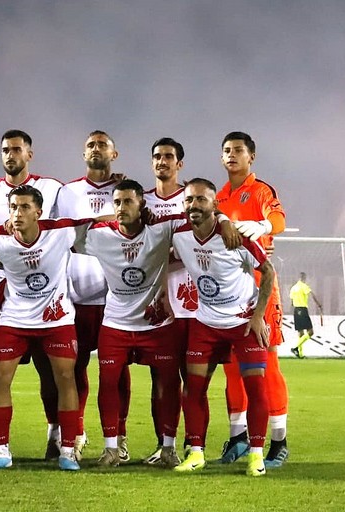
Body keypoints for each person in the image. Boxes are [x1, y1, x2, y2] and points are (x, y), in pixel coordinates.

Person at [0, 185, 89, 471]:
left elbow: (99, 220)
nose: (18, 213)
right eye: (13, 207)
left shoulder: (60, 231)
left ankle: (67, 451)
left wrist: (138, 213)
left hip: (56, 319)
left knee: (66, 378)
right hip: (15, 319)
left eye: (25, 207)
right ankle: (1, 450)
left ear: (39, 212)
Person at [171, 178, 274, 477]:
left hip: (243, 322)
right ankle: (196, 453)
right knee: (193, 388)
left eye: (201, 200)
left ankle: (256, 455)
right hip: (205, 322)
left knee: (255, 387)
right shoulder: (178, 234)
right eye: (189, 200)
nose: (194, 206)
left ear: (215, 205)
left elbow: (268, 271)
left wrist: (258, 316)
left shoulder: (236, 236)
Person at [0, 130, 64, 462]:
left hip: (41, 289)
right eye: (5, 150)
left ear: (30, 154)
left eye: (16, 149)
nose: (10, 155)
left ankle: (57, 435)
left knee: (49, 367)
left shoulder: (53, 189)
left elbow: (73, 222)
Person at [82, 179, 187, 468]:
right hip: (115, 324)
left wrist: (226, 222)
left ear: (143, 204)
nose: (121, 207)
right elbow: (71, 228)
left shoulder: (161, 229)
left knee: (168, 384)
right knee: (108, 383)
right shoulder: (99, 235)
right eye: (116, 202)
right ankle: (111, 448)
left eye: (128, 201)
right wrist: (103, 217)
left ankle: (168, 448)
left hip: (156, 325)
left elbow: (198, 218)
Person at [215, 131, 290, 468]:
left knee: (267, 364)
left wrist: (261, 226)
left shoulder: (260, 191)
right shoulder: (217, 197)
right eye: (227, 151)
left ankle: (279, 440)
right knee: (232, 367)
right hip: (228, 294)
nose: (232, 155)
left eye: (239, 150)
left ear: (251, 157)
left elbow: (278, 220)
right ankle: (238, 437)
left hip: (260, 291)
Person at [54, 130, 122, 460]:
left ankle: (118, 438)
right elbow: (61, 234)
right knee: (73, 369)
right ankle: (75, 434)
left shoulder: (126, 190)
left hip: (116, 298)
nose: (96, 150)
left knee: (115, 372)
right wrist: (104, 220)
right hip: (74, 295)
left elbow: (131, 222)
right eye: (90, 145)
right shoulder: (67, 192)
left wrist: (90, 222)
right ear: (84, 154)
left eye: (102, 145)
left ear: (115, 154)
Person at [139, 137, 194, 464]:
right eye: (157, 156)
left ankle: (192, 443)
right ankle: (165, 444)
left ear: (179, 164)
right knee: (160, 376)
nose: (162, 162)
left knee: (192, 375)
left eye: (169, 157)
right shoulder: (139, 200)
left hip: (189, 298)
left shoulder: (190, 198)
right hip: (153, 297)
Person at [289, 272, 322, 358]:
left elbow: (291, 302)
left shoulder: (293, 288)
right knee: (310, 332)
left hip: (296, 310)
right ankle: (295, 347)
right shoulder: (303, 286)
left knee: (300, 333)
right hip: (302, 309)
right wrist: (318, 304)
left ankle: (300, 354)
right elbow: (312, 295)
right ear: (304, 278)